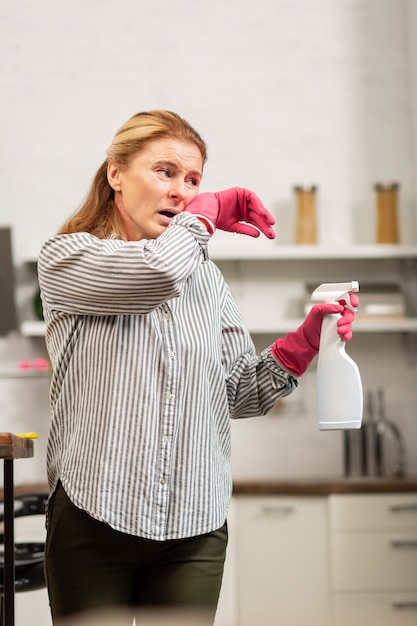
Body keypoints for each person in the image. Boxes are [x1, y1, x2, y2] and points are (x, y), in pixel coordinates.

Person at [37, 110, 358, 624]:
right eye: (164, 172)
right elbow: (154, 275)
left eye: (192, 181)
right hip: (95, 513)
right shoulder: (69, 258)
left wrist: (306, 340)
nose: (181, 191)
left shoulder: (206, 282)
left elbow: (240, 394)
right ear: (115, 174)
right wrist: (205, 214)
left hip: (195, 520)